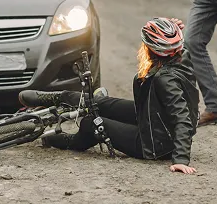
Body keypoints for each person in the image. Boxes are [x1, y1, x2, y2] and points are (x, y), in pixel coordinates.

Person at [19, 17, 201, 174]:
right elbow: (172, 44)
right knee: (100, 103)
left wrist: (181, 159)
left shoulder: (166, 80)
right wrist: (168, 30)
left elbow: (182, 118)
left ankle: (73, 141)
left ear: (152, 49)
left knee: (92, 122)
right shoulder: (182, 55)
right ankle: (58, 97)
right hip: (153, 117)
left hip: (154, 143)